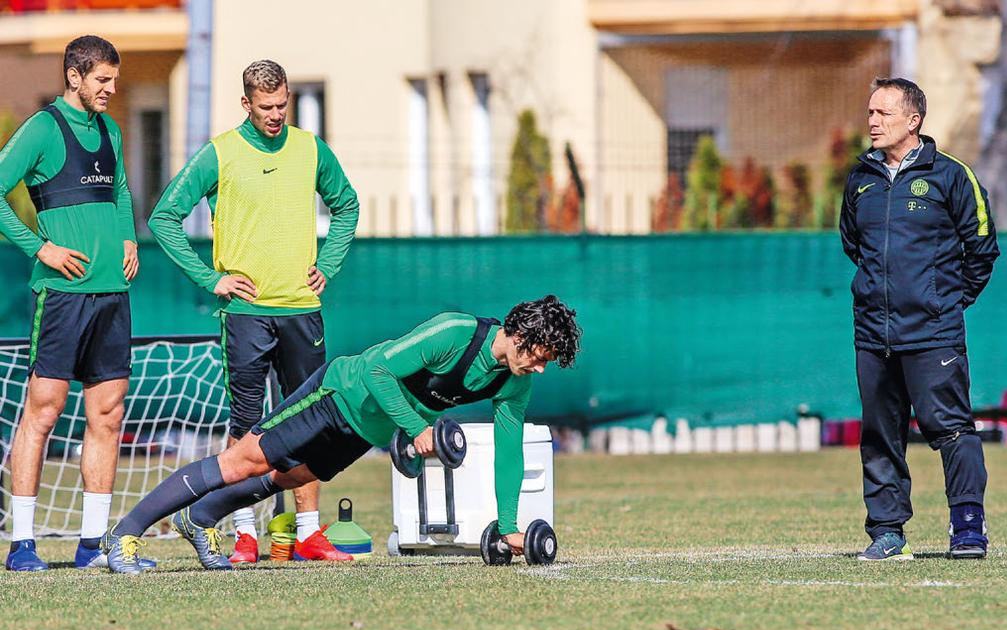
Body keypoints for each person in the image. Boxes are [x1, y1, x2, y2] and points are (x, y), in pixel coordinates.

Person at [101, 296, 581, 574]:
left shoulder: (515, 381)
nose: (539, 367)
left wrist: (510, 525)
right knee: (243, 462)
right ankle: (124, 535)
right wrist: (417, 429)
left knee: (290, 478)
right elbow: (376, 370)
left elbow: (509, 451)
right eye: (540, 354)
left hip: (364, 427)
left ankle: (200, 517)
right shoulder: (456, 332)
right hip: (338, 394)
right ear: (522, 332)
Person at [148, 59, 359, 565]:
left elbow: (347, 204)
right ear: (246, 103)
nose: (276, 115)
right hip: (245, 313)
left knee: (313, 420)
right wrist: (210, 278)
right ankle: (244, 532)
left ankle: (307, 532)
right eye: (266, 107)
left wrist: (327, 262)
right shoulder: (219, 153)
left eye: (282, 104)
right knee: (246, 425)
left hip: (302, 309)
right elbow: (164, 218)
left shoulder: (310, 149)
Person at [0, 35, 145, 572]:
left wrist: (129, 239)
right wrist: (41, 247)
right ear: (74, 76)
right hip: (61, 297)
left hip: (113, 294)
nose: (111, 88)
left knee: (107, 416)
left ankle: (93, 544)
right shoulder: (42, 128)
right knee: (44, 412)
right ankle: (21, 545)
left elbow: (122, 191)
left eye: (114, 78)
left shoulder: (111, 128)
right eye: (102, 79)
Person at [840, 77, 1000, 561]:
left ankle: (968, 528)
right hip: (874, 333)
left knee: (952, 430)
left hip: (934, 332)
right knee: (880, 435)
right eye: (870, 112)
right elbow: (855, 245)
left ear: (914, 121)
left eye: (883, 113)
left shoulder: (952, 176)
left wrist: (944, 301)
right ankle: (887, 532)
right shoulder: (859, 180)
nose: (872, 121)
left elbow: (982, 250)